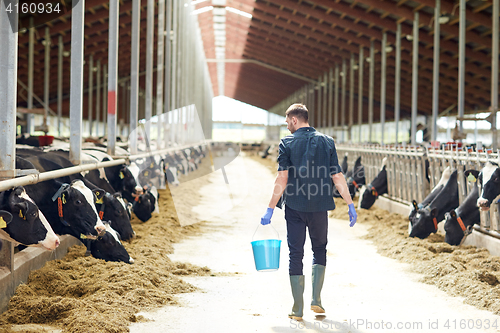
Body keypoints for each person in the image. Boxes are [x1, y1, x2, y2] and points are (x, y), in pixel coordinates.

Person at [260, 103, 357, 321]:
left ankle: (297, 309)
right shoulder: (327, 141)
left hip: (294, 207)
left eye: (287, 122)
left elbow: (282, 178)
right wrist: (350, 203)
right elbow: (337, 176)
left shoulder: (286, 143)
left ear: (295, 120)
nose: (286, 126)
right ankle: (317, 300)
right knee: (320, 249)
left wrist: (269, 208)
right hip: (320, 207)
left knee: (296, 253)